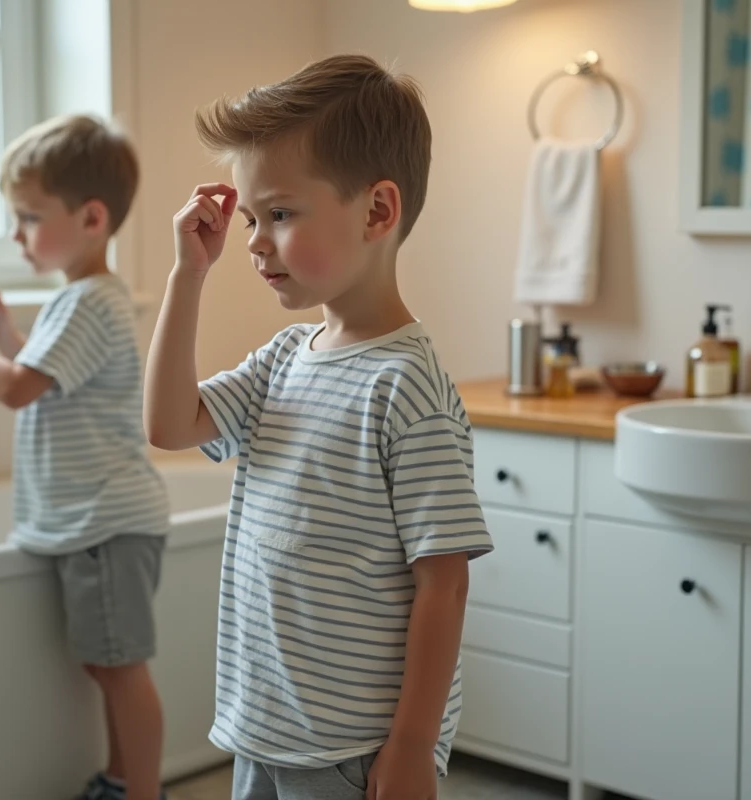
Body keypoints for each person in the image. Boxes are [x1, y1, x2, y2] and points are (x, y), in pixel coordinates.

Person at [143, 55, 494, 800]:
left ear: (376, 212)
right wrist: (186, 275)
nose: (253, 241)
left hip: (352, 748)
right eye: (250, 219)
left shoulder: (407, 387)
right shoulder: (284, 359)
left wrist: (412, 745)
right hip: (264, 725)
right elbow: (170, 424)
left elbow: (444, 584)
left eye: (280, 214)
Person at [0, 114, 169, 800]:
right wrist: (2, 333)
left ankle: (141, 791)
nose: (16, 234)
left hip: (106, 522)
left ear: (91, 218)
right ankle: (122, 780)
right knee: (108, 666)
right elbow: (47, 377)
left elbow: (17, 389)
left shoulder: (88, 302)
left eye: (27, 217)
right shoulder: (83, 299)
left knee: (121, 670)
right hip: (95, 522)